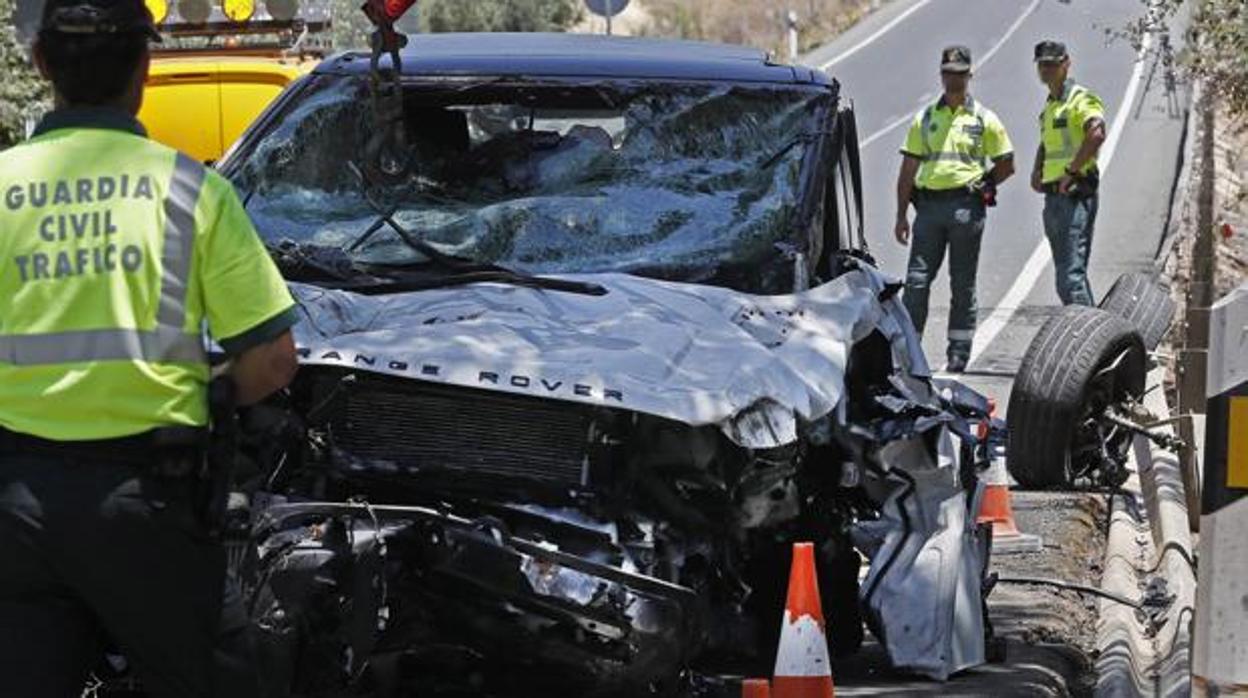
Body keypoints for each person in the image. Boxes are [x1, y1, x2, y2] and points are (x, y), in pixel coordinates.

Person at [0, 1, 299, 696]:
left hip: (12, 507)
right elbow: (273, 362)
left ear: (41, 64)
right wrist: (197, 389)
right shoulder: (191, 190)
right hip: (148, 506)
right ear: (144, 66)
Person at [894, 45, 1015, 373]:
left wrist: (986, 182)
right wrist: (900, 215)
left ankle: (959, 351)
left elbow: (1007, 162)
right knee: (917, 281)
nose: (953, 78)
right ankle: (909, 348)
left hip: (966, 208)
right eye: (948, 72)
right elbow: (907, 170)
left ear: (969, 75)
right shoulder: (926, 118)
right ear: (941, 74)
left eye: (960, 73)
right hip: (929, 210)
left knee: (962, 283)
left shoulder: (983, 118)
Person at [1030, 40, 1107, 306]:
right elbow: (1049, 141)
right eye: (1043, 65)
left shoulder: (1079, 98)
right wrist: (1037, 169)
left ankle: (1091, 340)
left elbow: (1096, 133)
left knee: (1070, 278)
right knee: (1068, 274)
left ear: (1066, 64)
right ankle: (1095, 333)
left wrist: (1071, 172)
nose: (1047, 70)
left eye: (1053, 64)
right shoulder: (1051, 105)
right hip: (1053, 198)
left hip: (1074, 195)